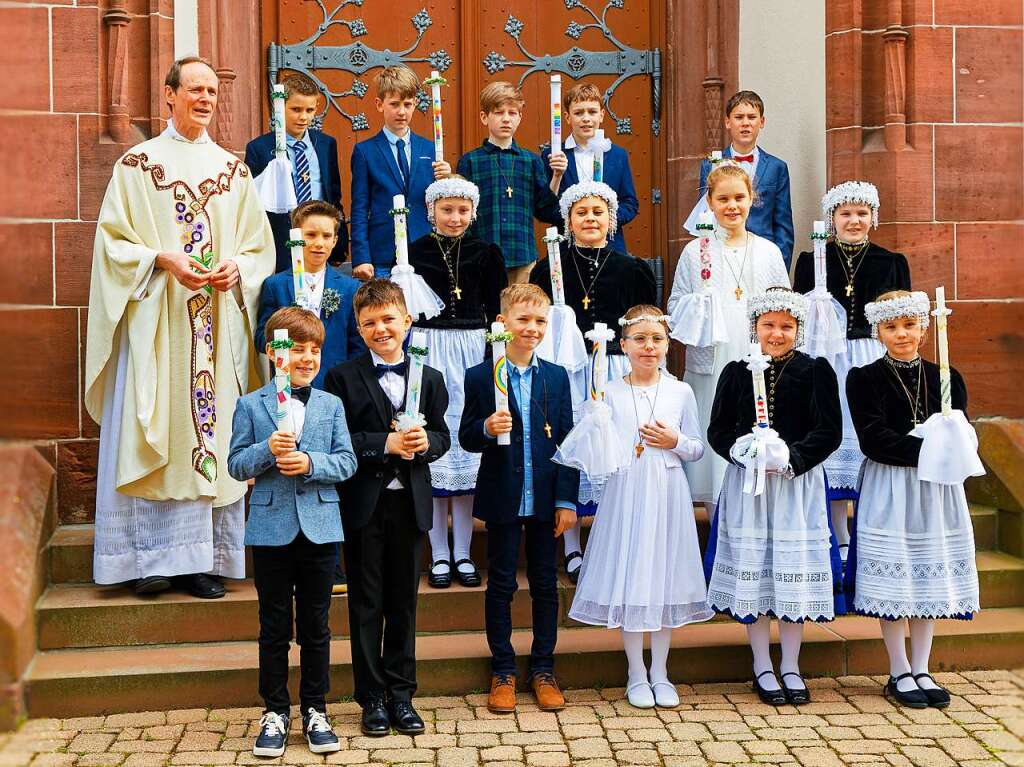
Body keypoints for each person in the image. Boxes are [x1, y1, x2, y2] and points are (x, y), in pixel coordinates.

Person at [85, 56, 275, 599]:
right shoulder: (138, 165)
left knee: (208, 432)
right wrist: (161, 260)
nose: (205, 99)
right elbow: (112, 245)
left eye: (212, 91)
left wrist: (239, 268)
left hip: (215, 325)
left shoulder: (233, 170)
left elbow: (259, 247)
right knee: (159, 430)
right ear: (169, 95)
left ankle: (203, 561)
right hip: (158, 323)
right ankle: (151, 562)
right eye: (194, 89)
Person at [567, 305, 712, 709]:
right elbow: (594, 451)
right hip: (627, 490)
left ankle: (661, 671)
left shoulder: (680, 391)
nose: (649, 347)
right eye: (640, 340)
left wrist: (675, 443)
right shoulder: (609, 391)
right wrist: (594, 425)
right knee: (633, 576)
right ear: (624, 345)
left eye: (657, 339)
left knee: (663, 575)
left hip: (667, 490)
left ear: (668, 344)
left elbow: (698, 447)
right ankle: (635, 671)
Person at [227, 307, 356, 758]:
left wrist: (311, 464)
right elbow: (236, 463)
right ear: (273, 352)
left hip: (320, 529)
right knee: (274, 625)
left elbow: (347, 461)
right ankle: (275, 712)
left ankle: (316, 708)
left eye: (314, 349)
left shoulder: (331, 405)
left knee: (317, 626)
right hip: (271, 529)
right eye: (296, 348)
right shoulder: (250, 405)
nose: (306, 357)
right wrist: (267, 450)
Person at [704, 289, 843, 706]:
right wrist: (744, 453)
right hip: (750, 488)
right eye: (769, 325)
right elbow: (719, 430)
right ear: (755, 327)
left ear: (798, 329)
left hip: (795, 488)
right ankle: (762, 664)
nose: (777, 334)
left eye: (786, 326)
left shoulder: (816, 370)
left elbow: (829, 430)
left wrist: (791, 459)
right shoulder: (735, 370)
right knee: (757, 571)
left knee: (792, 574)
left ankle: (792, 665)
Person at [324, 279, 450, 736]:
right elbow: (339, 441)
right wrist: (384, 443)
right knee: (366, 603)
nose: (381, 329)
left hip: (410, 505)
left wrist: (424, 444)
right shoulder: (341, 377)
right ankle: (371, 697)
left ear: (407, 320)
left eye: (389, 319)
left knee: (404, 603)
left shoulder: (429, 378)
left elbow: (442, 436)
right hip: (364, 507)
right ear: (358, 328)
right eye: (370, 323)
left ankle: (402, 695)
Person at [844, 290, 978, 709]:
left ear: (924, 328)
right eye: (890, 327)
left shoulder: (947, 376)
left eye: (908, 325)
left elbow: (963, 433)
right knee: (897, 575)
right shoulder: (863, 377)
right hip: (892, 485)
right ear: (878, 330)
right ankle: (898, 667)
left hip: (937, 489)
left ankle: (922, 665)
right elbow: (873, 439)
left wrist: (952, 441)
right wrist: (930, 448)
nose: (901, 334)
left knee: (928, 574)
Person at [459, 283, 579, 713]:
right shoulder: (481, 375)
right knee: (503, 584)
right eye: (522, 320)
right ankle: (503, 670)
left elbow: (567, 442)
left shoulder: (556, 377)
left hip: (546, 500)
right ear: (502, 324)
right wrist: (486, 428)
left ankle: (543, 668)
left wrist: (567, 501)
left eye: (540, 321)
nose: (531, 328)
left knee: (546, 584)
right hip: (505, 498)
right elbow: (467, 435)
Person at [530, 181, 658, 581]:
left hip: (616, 369)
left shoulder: (631, 268)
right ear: (568, 219)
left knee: (615, 452)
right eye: (581, 212)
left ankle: (611, 539)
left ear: (611, 220)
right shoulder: (548, 265)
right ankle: (572, 547)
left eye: (597, 212)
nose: (589, 219)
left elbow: (647, 324)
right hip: (568, 371)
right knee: (573, 448)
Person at [792, 181, 912, 561]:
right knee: (833, 438)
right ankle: (838, 536)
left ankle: (870, 534)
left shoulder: (891, 262)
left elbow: (903, 319)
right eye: (845, 214)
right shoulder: (812, 260)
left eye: (861, 213)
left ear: (872, 217)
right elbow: (800, 318)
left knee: (869, 439)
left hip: (871, 358)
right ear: (832, 219)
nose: (854, 221)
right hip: (828, 359)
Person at [255, 199, 363, 594]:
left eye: (326, 236)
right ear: (295, 239)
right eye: (311, 235)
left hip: (331, 394)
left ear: (336, 241)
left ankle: (332, 562)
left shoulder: (348, 287)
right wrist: (285, 337)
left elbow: (355, 345)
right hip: (287, 394)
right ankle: (290, 556)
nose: (318, 244)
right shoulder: (277, 284)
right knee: (290, 470)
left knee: (327, 473)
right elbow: (260, 337)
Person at [668, 162, 789, 508]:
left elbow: (783, 307)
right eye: (723, 199)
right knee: (715, 424)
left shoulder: (768, 251)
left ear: (752, 199)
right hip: (713, 355)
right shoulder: (695, 252)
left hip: (755, 353)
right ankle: (716, 506)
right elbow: (676, 306)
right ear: (710, 201)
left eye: (739, 197)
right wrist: (699, 304)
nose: (732, 206)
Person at [409, 176, 508, 588]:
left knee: (467, 450)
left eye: (463, 211)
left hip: (471, 347)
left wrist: (490, 356)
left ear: (474, 213)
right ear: (431, 211)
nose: (455, 217)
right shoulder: (414, 252)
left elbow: (497, 309)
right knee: (434, 450)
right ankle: (439, 556)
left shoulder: (487, 253)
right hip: (429, 347)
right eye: (447, 210)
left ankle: (464, 553)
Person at [350, 66, 451, 280]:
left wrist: (448, 179)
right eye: (394, 104)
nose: (401, 112)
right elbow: (360, 207)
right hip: (383, 252)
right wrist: (361, 256)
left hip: (425, 246)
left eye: (407, 104)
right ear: (380, 105)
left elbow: (442, 201)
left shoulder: (431, 149)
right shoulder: (365, 151)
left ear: (415, 104)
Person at [457, 81, 560, 283]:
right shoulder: (470, 161)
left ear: (520, 117)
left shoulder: (531, 161)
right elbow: (463, 213)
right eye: (498, 113)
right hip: (483, 256)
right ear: (484, 117)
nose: (506, 119)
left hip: (523, 256)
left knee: (521, 310)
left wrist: (556, 176)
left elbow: (544, 210)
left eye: (512, 113)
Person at [245, 73, 349, 273]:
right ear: (279, 108)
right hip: (279, 242)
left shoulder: (326, 145)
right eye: (295, 109)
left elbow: (334, 196)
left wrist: (340, 242)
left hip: (319, 242)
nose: (303, 117)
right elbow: (253, 203)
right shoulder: (259, 148)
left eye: (309, 110)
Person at [694, 90, 794, 266]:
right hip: (722, 256)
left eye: (752, 117)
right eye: (739, 117)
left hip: (763, 257)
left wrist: (779, 269)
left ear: (761, 122)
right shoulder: (710, 165)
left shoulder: (777, 168)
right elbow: (704, 215)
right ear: (727, 122)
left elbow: (783, 226)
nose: (745, 123)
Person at [541, 81, 639, 254]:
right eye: (579, 113)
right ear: (567, 117)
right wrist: (573, 221)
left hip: (610, 246)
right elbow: (545, 208)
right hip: (567, 247)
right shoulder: (554, 155)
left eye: (592, 112)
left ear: (601, 115)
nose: (586, 118)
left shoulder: (617, 155)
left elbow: (630, 203)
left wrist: (608, 219)